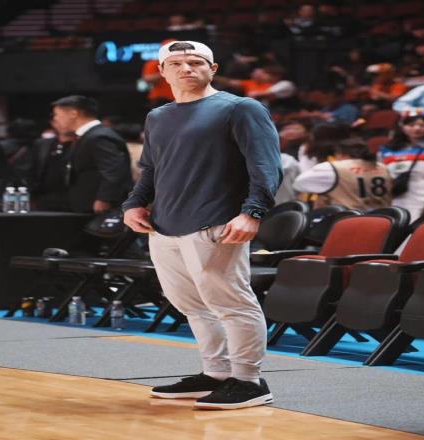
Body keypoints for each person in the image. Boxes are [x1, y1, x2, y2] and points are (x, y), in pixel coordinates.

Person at [122, 40, 282, 410]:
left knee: (232, 303)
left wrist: (253, 212)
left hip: (216, 221)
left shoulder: (240, 108)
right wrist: (133, 204)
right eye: (176, 63)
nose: (186, 68)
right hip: (164, 225)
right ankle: (217, 372)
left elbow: (265, 165)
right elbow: (151, 170)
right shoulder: (158, 116)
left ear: (213, 68)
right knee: (192, 305)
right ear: (162, 72)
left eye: (196, 62)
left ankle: (249, 381)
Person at [51, 95, 132, 213]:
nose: (55, 119)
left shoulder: (99, 136)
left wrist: (105, 199)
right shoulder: (89, 135)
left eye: (57, 114)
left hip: (98, 209)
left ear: (73, 113)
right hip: (85, 204)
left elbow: (114, 170)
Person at [379, 114, 424, 220]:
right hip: (396, 198)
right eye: (411, 125)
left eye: (423, 125)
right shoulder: (386, 150)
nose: (417, 128)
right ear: (402, 126)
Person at [294, 137, 392, 210]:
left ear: (340, 154)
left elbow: (299, 184)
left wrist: (325, 190)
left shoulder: (333, 167)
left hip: (347, 219)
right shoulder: (382, 166)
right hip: (384, 217)